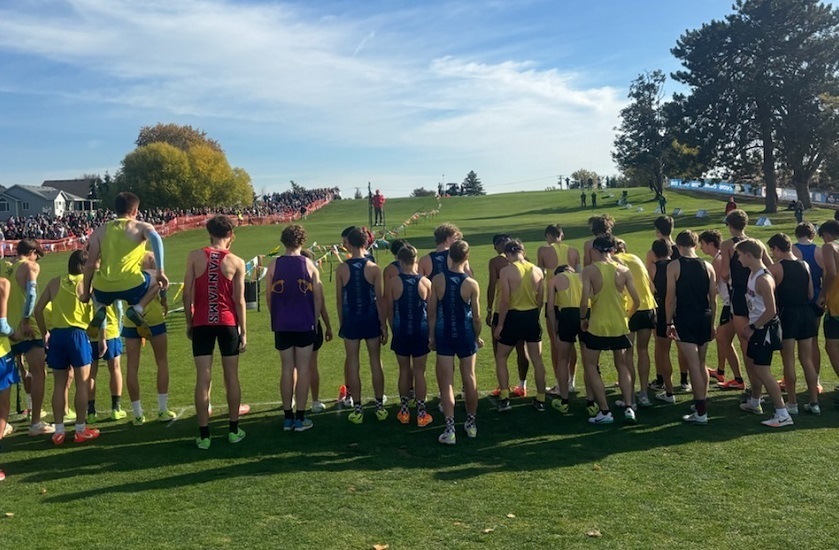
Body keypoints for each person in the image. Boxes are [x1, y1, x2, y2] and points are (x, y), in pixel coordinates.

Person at [184, 215, 248, 448]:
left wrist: (189, 322)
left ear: (209, 233)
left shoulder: (194, 256)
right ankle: (233, 429)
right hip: (228, 323)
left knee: (203, 378)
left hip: (202, 323)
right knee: (231, 377)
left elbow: (186, 294)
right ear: (230, 235)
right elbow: (239, 300)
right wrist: (244, 331)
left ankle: (204, 435)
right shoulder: (237, 262)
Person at [82, 192, 168, 345]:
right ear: (135, 211)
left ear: (116, 209)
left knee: (97, 283)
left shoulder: (99, 231)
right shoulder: (141, 226)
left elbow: (89, 265)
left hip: (103, 289)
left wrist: (85, 292)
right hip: (132, 286)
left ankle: (100, 308)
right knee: (159, 280)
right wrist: (160, 271)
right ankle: (138, 309)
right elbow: (156, 238)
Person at [33, 250, 100, 444]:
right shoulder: (87, 284)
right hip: (78, 335)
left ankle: (59, 431)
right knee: (82, 383)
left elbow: (38, 309)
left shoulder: (55, 282)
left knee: (59, 384)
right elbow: (100, 310)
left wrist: (45, 331)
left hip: (57, 335)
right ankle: (80, 429)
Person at [268, 224, 323, 431]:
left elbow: (268, 296)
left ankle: (287, 417)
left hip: (282, 323)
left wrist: (277, 316)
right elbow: (318, 297)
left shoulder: (274, 265)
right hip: (304, 323)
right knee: (303, 370)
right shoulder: (309, 265)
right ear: (302, 241)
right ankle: (300, 417)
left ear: (283, 241)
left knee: (286, 369)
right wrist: (315, 319)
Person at [580, 235, 640, 424]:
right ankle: (629, 407)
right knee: (622, 365)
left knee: (590, 365)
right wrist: (626, 316)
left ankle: (605, 411)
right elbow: (636, 301)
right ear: (613, 251)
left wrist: (583, 318)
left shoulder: (590, 270)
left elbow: (584, 300)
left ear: (595, 251)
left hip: (597, 325)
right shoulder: (623, 270)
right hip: (619, 325)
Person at [429, 240, 482, 444]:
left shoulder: (438, 279)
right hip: (465, 334)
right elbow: (476, 317)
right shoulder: (471, 283)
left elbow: (432, 312)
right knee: (469, 377)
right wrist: (476, 335)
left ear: (449, 256)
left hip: (444, 334)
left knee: (446, 382)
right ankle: (471, 423)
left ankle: (450, 428)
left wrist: (432, 336)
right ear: (466, 258)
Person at [735, 239, 792, 427]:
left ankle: (782, 414)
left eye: (740, 255)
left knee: (762, 370)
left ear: (749, 255)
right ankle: (754, 401)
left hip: (764, 329)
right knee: (752, 364)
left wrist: (753, 327)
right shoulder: (753, 273)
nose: (738, 258)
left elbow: (771, 310)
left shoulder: (763, 279)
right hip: (757, 327)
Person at [719, 209, 772, 403]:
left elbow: (724, 273)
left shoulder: (727, 245)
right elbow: (771, 267)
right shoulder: (756, 244)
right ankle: (759, 386)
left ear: (730, 226)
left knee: (746, 343)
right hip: (756, 292)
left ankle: (754, 389)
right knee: (756, 340)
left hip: (739, 295)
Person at [665, 231, 717, 424]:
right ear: (695, 245)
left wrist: (668, 322)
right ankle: (701, 404)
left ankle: (701, 410)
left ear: (678, 246)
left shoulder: (674, 266)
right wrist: (712, 324)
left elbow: (671, 299)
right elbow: (713, 299)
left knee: (693, 365)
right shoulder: (708, 266)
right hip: (704, 316)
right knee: (701, 363)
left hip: (685, 317)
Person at [336, 228, 387, 424]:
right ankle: (379, 407)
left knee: (353, 363)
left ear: (349, 242)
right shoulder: (374, 268)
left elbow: (340, 301)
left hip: (351, 320)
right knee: (375, 362)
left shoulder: (342, 268)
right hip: (370, 318)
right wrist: (383, 325)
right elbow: (379, 300)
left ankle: (357, 408)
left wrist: (342, 323)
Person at [766, 233, 820, 415]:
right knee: (806, 359)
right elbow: (811, 294)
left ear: (777, 249)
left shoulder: (776, 268)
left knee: (788, 360)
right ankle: (814, 402)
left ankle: (792, 403)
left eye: (772, 250)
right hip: (806, 313)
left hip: (787, 314)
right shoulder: (804, 264)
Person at [493, 240, 548, 412]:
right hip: (531, 315)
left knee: (501, 357)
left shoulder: (506, 271)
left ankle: (504, 398)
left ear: (508, 254)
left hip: (513, 316)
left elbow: (505, 300)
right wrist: (534, 315)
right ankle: (540, 399)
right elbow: (540, 299)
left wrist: (500, 324)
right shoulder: (537, 270)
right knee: (537, 359)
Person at [121, 253, 176, 425]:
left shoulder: (126, 260)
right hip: (153, 315)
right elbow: (161, 282)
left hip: (130, 318)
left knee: (132, 366)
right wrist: (164, 300)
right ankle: (162, 409)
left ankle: (137, 414)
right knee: (161, 361)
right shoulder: (152, 256)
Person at [6, 239, 52, 435]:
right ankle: (35, 423)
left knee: (8, 376)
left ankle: (5, 421)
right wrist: (26, 319)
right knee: (39, 371)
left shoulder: (5, 266)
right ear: (32, 252)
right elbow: (32, 293)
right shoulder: (30, 266)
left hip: (7, 327)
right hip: (27, 326)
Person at [385, 245, 432, 427]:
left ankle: (404, 411)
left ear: (400, 261)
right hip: (421, 331)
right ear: (416, 259)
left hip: (401, 330)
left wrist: (390, 328)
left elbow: (389, 310)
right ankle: (421, 413)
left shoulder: (393, 282)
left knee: (404, 370)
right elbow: (432, 312)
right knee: (420, 372)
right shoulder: (426, 283)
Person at [698, 230, 744, 390]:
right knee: (722, 338)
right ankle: (720, 370)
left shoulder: (718, 260)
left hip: (730, 304)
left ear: (711, 244)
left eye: (702, 244)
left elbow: (714, 287)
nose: (701, 247)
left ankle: (738, 379)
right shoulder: (718, 258)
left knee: (723, 339)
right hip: (729, 303)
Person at [537, 225, 581, 393]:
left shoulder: (543, 251)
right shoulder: (574, 251)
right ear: (561, 234)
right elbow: (579, 276)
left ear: (548, 235)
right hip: (572, 301)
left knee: (557, 343)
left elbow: (540, 277)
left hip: (554, 300)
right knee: (572, 343)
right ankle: (572, 381)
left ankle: (559, 382)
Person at [614, 240, 657, 408]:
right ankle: (644, 394)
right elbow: (651, 287)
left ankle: (630, 398)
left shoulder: (615, 261)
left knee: (627, 355)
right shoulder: (636, 258)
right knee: (643, 350)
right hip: (648, 307)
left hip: (630, 309)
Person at [487, 234, 529, 397]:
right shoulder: (525, 259)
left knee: (500, 352)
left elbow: (491, 286)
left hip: (501, 310)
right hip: (521, 310)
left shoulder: (495, 262)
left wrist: (489, 309)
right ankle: (522, 385)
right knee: (521, 348)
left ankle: (503, 387)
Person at [546, 264, 584, 414]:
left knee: (562, 359)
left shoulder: (555, 280)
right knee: (590, 362)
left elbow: (550, 309)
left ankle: (564, 399)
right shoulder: (583, 276)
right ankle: (591, 402)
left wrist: (555, 330)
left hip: (567, 315)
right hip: (584, 314)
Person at [300, 249, 333, 413]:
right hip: (311, 324)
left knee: (291, 366)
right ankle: (314, 401)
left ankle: (291, 400)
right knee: (311, 365)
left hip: (290, 325)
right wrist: (328, 326)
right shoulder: (314, 279)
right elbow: (322, 306)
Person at [792, 222, 824, 385]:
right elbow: (827, 275)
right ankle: (815, 379)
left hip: (798, 298)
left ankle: (790, 375)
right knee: (813, 340)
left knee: (793, 341)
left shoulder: (792, 249)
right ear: (812, 235)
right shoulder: (819, 251)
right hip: (817, 297)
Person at [87, 303, 126, 422]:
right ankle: (116, 409)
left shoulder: (83, 286)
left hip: (90, 332)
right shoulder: (109, 284)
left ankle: (91, 412)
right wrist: (119, 329)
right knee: (115, 369)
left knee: (90, 374)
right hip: (110, 332)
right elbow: (119, 308)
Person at [649, 239, 677, 402]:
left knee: (664, 352)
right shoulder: (677, 266)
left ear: (654, 254)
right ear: (671, 252)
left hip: (661, 311)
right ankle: (687, 383)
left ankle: (669, 391)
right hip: (679, 310)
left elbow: (650, 289)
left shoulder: (653, 268)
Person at [817, 220, 839, 403]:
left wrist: (822, 295)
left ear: (828, 234)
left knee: (832, 347)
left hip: (836, 304)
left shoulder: (829, 247)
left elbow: (831, 273)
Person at [0, 275, 19, 479]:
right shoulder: (3, 284)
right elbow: (2, 327)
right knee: (2, 409)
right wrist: (14, 334)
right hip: (0, 354)